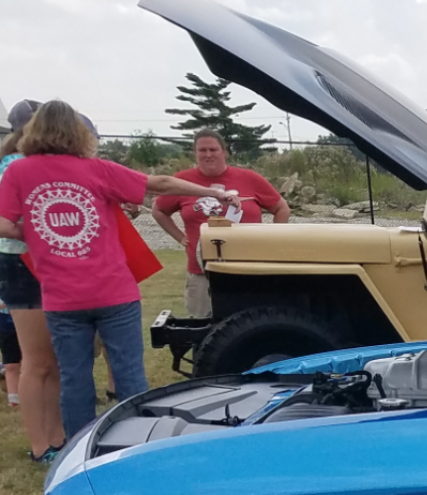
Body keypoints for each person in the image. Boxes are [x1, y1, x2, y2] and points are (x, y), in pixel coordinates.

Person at [0, 102, 238, 442]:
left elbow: (4, 223)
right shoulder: (97, 169)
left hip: (61, 298)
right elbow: (161, 183)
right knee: (129, 376)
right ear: (78, 132)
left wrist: (32, 233)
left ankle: (81, 446)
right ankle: (135, 443)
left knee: (74, 377)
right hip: (114, 292)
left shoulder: (17, 172)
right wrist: (212, 192)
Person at [151, 128, 288, 319]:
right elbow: (159, 210)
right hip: (202, 272)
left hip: (248, 270)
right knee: (203, 329)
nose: (208, 154)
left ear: (225, 152)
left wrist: (269, 240)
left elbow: (281, 208)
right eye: (202, 150)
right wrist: (180, 237)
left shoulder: (249, 178)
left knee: (250, 325)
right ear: (195, 153)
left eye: (213, 149)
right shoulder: (182, 181)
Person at [0, 99, 63, 460]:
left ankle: (56, 433)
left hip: (48, 262)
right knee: (35, 359)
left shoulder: (43, 164)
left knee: (52, 359)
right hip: (20, 264)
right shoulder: (12, 166)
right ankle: (40, 443)